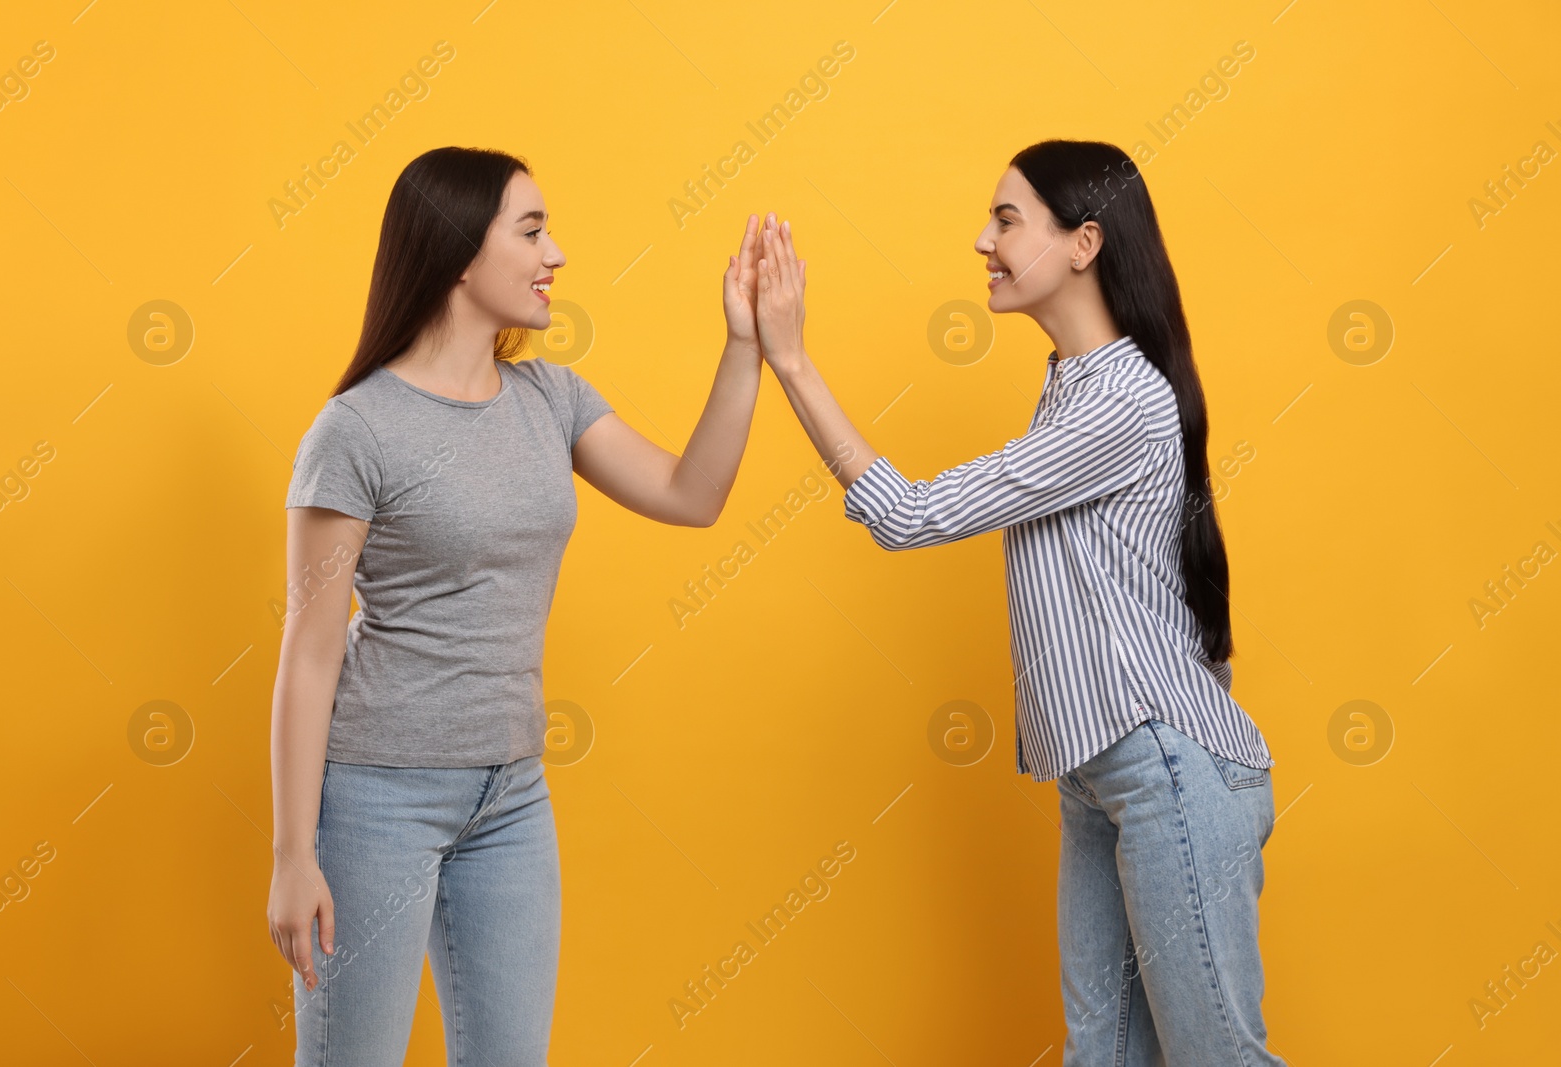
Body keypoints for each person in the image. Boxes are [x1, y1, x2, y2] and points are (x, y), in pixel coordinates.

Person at [749, 139, 1286, 1065]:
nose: (981, 241)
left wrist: (793, 363)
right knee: (1103, 1057)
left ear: (1083, 243)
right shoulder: (1070, 388)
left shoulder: (1118, 400)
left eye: (1005, 219)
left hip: (1166, 771)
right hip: (1101, 774)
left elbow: (910, 515)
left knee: (1217, 1057)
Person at [266, 145, 772, 1065]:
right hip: (380, 794)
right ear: (461, 252)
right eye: (533, 229)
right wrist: (293, 854)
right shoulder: (356, 430)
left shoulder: (551, 397)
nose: (558, 254)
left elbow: (693, 494)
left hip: (511, 797)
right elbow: (309, 651)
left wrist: (745, 345)